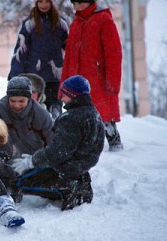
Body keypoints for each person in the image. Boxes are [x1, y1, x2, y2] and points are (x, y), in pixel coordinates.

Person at [12, 75, 105, 211]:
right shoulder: (93, 114)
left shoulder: (71, 118)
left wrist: (32, 161)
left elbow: (58, 152)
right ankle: (80, 180)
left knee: (20, 182)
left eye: (64, 94)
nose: (60, 98)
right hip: (80, 166)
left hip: (64, 169)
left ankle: (66, 188)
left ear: (72, 95)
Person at [59, 0, 124, 151]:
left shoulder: (104, 20)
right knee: (79, 115)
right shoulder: (76, 23)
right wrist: (64, 84)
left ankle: (115, 146)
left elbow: (114, 54)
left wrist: (112, 82)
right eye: (74, 3)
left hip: (97, 79)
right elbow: (69, 58)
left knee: (103, 114)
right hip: (77, 80)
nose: (77, 6)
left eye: (80, 2)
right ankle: (86, 147)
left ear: (90, 1)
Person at [8, 0, 69, 119]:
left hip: (55, 77)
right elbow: (20, 52)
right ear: (35, 3)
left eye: (47, 1)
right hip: (34, 78)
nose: (44, 4)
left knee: (55, 113)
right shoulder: (29, 24)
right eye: (40, 1)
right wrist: (15, 75)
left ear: (52, 2)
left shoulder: (61, 24)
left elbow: (70, 50)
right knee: (35, 112)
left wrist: (72, 72)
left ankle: (54, 138)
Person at [0, 76, 54, 159]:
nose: (17, 105)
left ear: (29, 99)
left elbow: (52, 144)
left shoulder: (41, 115)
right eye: (12, 101)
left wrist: (34, 161)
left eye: (21, 101)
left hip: (34, 159)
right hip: (5, 156)